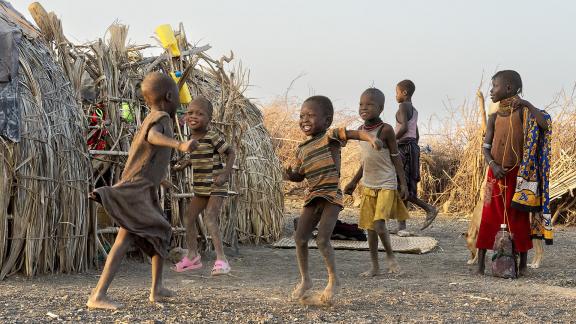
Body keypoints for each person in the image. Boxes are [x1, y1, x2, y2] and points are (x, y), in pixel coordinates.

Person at [86, 72, 198, 310]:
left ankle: (156, 289)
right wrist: (180, 144)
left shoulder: (153, 116)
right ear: (169, 96)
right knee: (125, 240)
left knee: (160, 234)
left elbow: (148, 156)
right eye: (177, 96)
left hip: (144, 188)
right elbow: (153, 137)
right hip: (136, 190)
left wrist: (160, 180)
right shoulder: (161, 119)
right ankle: (98, 295)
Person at [286, 95, 383, 305]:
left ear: (327, 120)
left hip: (330, 196)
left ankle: (333, 280)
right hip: (312, 196)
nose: (305, 119)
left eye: (311, 115)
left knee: (322, 239)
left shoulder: (330, 136)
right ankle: (306, 280)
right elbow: (300, 175)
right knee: (300, 238)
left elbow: (355, 133)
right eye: (302, 115)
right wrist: (290, 175)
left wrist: (371, 138)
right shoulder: (301, 149)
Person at [476, 70, 551, 276]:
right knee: (489, 216)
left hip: (519, 175)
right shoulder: (493, 117)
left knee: (518, 217)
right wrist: (493, 164)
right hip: (496, 174)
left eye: (495, 86)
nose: (491, 91)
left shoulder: (523, 113)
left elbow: (545, 125)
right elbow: (485, 147)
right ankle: (481, 263)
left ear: (508, 88)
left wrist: (526, 104)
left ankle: (523, 264)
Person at [344, 88, 409, 276]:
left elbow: (396, 157)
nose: (364, 108)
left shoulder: (386, 129)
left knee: (379, 224)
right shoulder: (360, 131)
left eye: (369, 105)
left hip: (387, 183)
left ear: (380, 108)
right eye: (361, 104)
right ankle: (374, 266)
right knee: (370, 229)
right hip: (368, 184)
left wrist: (402, 183)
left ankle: (390, 257)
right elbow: (365, 162)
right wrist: (354, 182)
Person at [172, 97, 235, 276]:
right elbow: (198, 157)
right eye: (190, 113)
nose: (194, 116)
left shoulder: (212, 136)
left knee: (210, 217)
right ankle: (192, 256)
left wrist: (225, 174)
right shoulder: (191, 139)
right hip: (201, 186)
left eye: (200, 114)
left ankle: (222, 260)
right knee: (189, 218)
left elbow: (231, 153)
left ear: (209, 119)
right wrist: (184, 164)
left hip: (216, 184)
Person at [394, 79, 438, 233]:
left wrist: (391, 140)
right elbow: (416, 132)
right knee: (404, 186)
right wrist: (413, 148)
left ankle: (429, 209)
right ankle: (402, 227)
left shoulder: (403, 106)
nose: (396, 95)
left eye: (397, 92)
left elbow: (405, 127)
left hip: (404, 148)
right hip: (412, 148)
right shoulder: (414, 109)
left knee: (402, 186)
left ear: (404, 92)